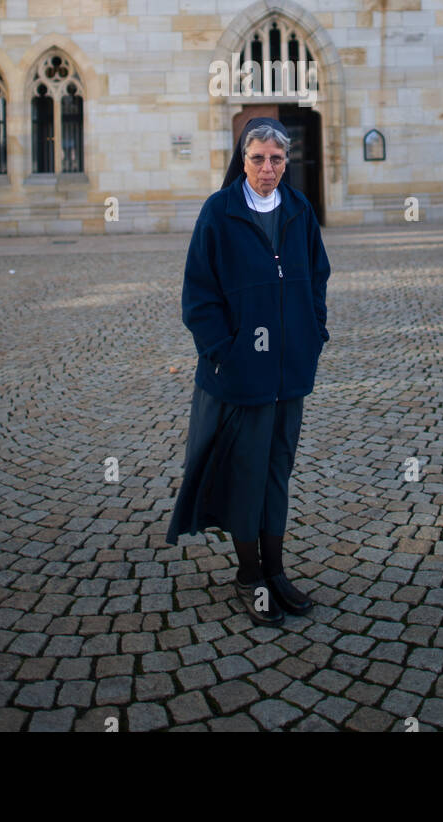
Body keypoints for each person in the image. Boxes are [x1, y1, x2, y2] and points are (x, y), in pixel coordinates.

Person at [166, 116, 331, 626]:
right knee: (245, 473)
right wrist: (225, 351)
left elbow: (318, 278)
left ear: (286, 162)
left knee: (277, 471)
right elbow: (198, 296)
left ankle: (276, 570)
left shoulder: (300, 210)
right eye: (257, 158)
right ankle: (250, 575)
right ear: (243, 160)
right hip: (239, 373)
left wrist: (312, 335)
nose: (267, 168)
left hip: (289, 372)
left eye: (276, 159)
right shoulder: (219, 213)